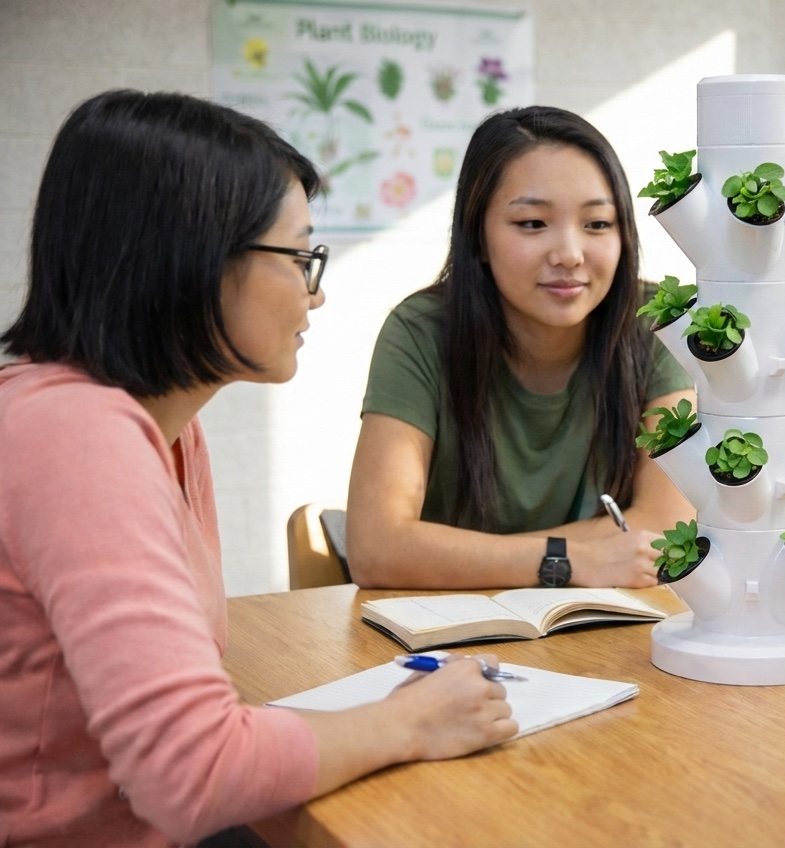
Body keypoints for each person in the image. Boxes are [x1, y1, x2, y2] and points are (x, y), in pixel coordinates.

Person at [0, 90, 517, 848]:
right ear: (191, 258)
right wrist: (408, 721)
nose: (318, 289)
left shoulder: (161, 425)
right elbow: (193, 773)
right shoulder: (76, 434)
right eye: (300, 256)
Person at [346, 106, 694, 590]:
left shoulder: (656, 321)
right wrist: (569, 560)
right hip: (454, 634)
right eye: (532, 223)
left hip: (603, 631)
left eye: (597, 224)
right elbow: (376, 549)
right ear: (479, 237)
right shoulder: (421, 330)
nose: (570, 254)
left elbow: (664, 527)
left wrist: (456, 554)